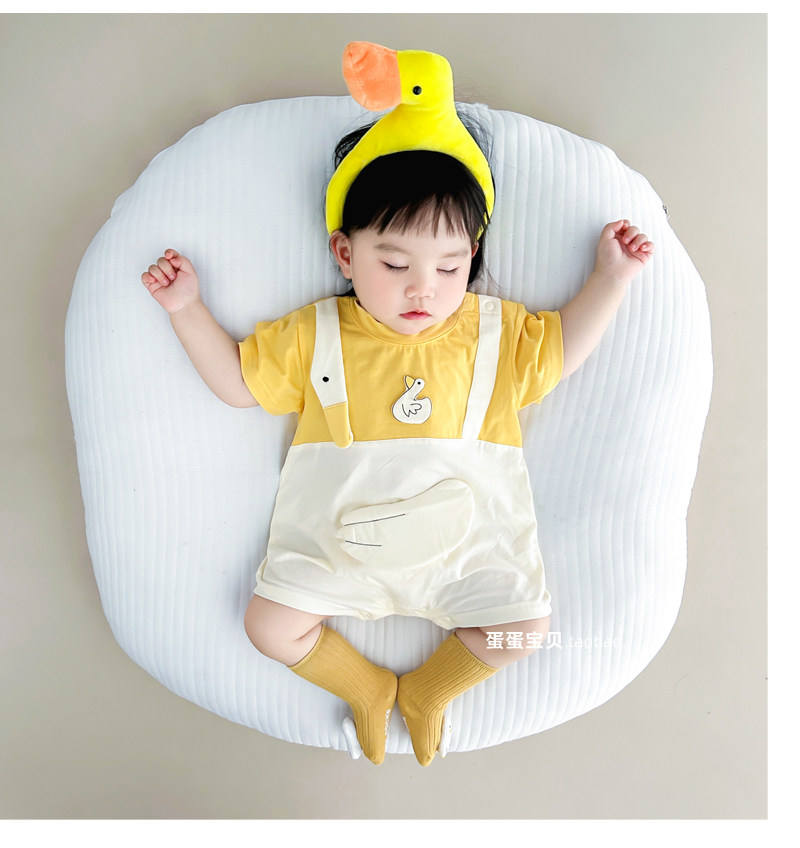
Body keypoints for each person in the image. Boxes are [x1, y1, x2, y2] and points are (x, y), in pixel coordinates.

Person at [141, 52, 653, 768]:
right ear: (344, 253)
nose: (423, 289)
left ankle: (429, 691)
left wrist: (612, 278)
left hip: (471, 553)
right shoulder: (317, 332)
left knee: (526, 633)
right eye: (393, 264)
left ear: (472, 256)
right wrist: (186, 309)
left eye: (449, 267)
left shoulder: (494, 332)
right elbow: (235, 383)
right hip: (338, 548)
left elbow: (564, 348)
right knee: (269, 627)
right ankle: (369, 686)